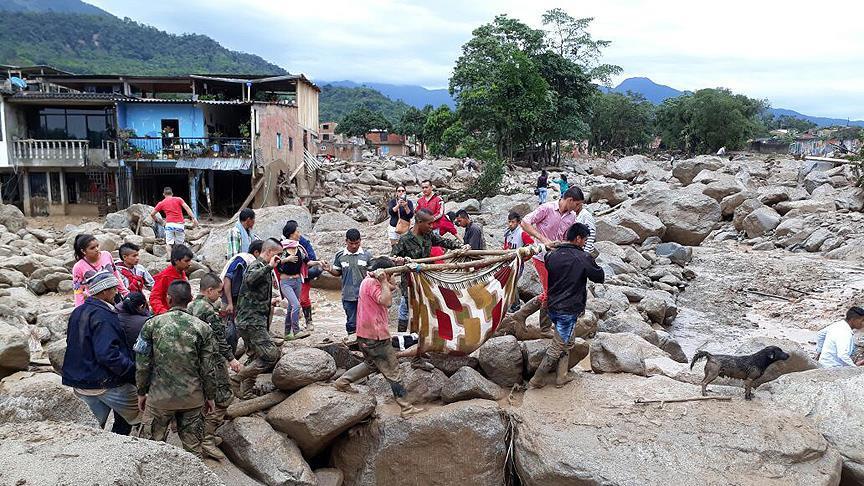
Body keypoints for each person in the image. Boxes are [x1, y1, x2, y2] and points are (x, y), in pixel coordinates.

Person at [334, 257, 424, 418]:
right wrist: (383, 281)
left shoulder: (367, 280)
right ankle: (406, 408)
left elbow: (392, 288)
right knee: (393, 371)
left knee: (370, 364)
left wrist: (388, 278)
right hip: (376, 337)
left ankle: (343, 381)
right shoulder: (374, 284)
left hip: (364, 334)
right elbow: (387, 301)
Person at [135, 280, 217, 457]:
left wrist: (142, 392)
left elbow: (142, 364)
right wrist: (210, 396)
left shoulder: (151, 324)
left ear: (168, 298)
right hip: (192, 398)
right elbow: (208, 368)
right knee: (194, 450)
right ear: (190, 299)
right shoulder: (202, 328)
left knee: (150, 450)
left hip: (159, 398)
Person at [63, 270, 139, 435]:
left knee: (91, 429)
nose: (116, 292)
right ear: (104, 292)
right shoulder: (104, 315)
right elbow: (108, 354)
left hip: (80, 380)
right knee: (142, 411)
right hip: (104, 382)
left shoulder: (78, 311)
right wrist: (132, 371)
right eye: (113, 289)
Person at [529, 223, 604, 388]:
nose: (585, 243)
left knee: (567, 341)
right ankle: (537, 379)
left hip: (553, 305)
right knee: (558, 345)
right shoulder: (583, 258)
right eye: (584, 240)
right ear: (578, 239)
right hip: (568, 309)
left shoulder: (551, 255)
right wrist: (591, 258)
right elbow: (599, 277)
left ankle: (561, 376)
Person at [510, 187, 593, 334]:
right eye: (578, 204)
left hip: (557, 259)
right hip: (541, 256)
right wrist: (543, 240)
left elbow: (567, 238)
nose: (579, 208)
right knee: (550, 292)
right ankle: (544, 327)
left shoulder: (572, 216)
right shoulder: (547, 208)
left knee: (552, 291)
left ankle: (521, 315)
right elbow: (525, 222)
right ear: (570, 200)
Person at [188, 273, 239, 460]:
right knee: (224, 398)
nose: (220, 295)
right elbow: (219, 338)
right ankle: (207, 439)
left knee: (203, 399)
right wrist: (232, 359)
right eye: (218, 292)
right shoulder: (209, 310)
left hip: (196, 360)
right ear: (209, 291)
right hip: (212, 360)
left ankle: (200, 435)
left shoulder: (191, 306)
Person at [391, 208, 468, 332]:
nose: (432, 226)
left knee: (430, 305)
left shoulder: (429, 235)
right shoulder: (405, 240)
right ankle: (402, 335)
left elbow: (444, 241)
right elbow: (392, 258)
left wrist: (461, 245)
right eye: (429, 223)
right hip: (410, 283)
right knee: (406, 307)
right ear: (419, 222)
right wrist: (398, 260)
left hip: (427, 280)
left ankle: (428, 333)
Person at [234, 238, 283, 399]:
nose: (278, 258)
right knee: (271, 355)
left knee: (256, 356)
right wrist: (270, 267)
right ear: (269, 252)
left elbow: (253, 292)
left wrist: (269, 301)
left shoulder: (263, 267)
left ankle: (246, 392)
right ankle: (235, 378)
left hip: (252, 320)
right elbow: (250, 279)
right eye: (277, 255)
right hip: (251, 322)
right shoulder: (257, 265)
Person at [278, 221, 323, 339]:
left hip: (297, 280)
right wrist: (287, 260)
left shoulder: (300, 248)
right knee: (296, 305)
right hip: (286, 281)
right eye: (297, 231)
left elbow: (308, 262)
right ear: (291, 234)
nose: (299, 234)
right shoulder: (281, 248)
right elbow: (275, 263)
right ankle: (297, 331)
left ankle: (287, 333)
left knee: (290, 307)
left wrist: (318, 262)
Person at [325, 229, 373, 335]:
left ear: (360, 241)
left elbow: (372, 274)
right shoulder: (340, 256)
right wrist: (329, 270)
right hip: (348, 295)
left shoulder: (367, 255)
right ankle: (352, 346)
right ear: (346, 241)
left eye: (357, 243)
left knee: (366, 321)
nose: (354, 246)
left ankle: (365, 344)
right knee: (351, 322)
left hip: (365, 295)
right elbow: (338, 272)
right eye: (351, 243)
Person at [221, 239, 264, 353]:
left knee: (238, 328)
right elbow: (227, 279)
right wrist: (230, 303)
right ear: (256, 252)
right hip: (230, 298)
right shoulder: (243, 260)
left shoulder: (253, 263)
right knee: (227, 329)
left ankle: (236, 353)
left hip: (239, 299)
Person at [72, 234, 129, 307]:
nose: (97, 249)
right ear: (83, 251)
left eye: (97, 246)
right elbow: (78, 290)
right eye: (92, 248)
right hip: (96, 302)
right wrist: (79, 309)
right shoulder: (78, 267)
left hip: (114, 296)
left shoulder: (106, 255)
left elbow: (116, 276)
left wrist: (125, 293)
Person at [149, 186, 199, 259]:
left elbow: (152, 214)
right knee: (180, 244)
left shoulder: (161, 203)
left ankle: (169, 257)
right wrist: (194, 218)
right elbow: (187, 208)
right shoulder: (178, 199)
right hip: (179, 225)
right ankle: (181, 258)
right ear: (172, 193)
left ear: (163, 194)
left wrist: (160, 221)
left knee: (169, 243)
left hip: (169, 225)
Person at [503, 212, 534, 312]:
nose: (510, 224)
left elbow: (531, 246)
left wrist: (525, 259)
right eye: (509, 222)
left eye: (513, 222)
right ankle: (511, 303)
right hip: (508, 263)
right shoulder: (508, 233)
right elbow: (506, 246)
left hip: (518, 263)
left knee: (513, 283)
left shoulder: (522, 233)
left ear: (518, 222)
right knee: (509, 282)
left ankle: (515, 305)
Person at [149, 244, 193, 315]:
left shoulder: (182, 273)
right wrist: (163, 313)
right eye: (186, 261)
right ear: (176, 261)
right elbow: (154, 298)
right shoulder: (164, 276)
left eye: (190, 261)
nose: (189, 264)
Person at [298, 232, 322, 331]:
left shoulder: (303, 242)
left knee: (303, 299)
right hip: (289, 276)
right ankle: (292, 326)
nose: (298, 234)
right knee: (293, 302)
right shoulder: (283, 244)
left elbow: (311, 258)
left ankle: (309, 321)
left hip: (303, 275)